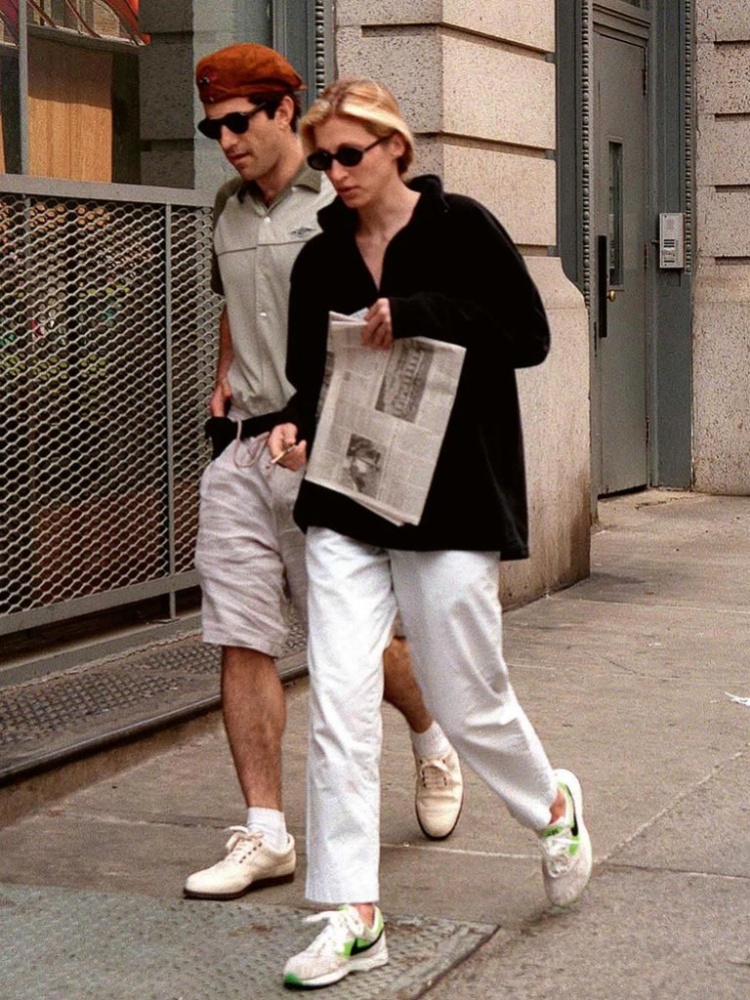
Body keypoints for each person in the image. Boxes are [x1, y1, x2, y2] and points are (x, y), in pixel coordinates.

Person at [269, 78, 593, 988]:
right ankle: (353, 912)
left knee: (465, 697)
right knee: (336, 700)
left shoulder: (464, 229)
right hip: (345, 502)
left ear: (395, 150)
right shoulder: (318, 261)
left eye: (349, 155)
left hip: (449, 502)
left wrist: (422, 313)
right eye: (323, 158)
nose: (334, 174)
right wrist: (293, 426)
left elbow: (530, 338)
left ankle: (553, 805)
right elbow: (308, 380)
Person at [184, 47, 464, 902]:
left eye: (239, 122)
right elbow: (241, 309)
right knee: (242, 634)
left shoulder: (338, 201)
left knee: (360, 647)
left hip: (328, 453)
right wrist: (225, 377)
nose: (225, 140)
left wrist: (332, 437)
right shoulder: (226, 213)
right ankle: (266, 831)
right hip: (241, 448)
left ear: (281, 113)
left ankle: (431, 732)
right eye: (212, 125)